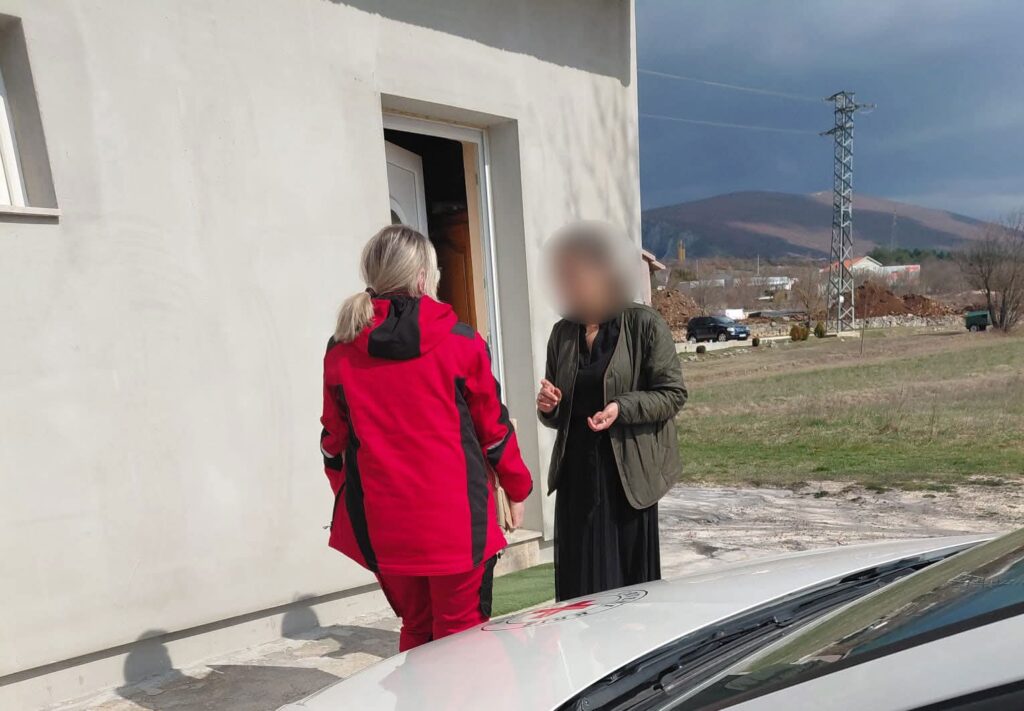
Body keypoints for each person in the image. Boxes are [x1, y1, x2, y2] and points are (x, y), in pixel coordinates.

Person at [321, 225, 532, 651]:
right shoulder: (461, 343)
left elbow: (332, 441)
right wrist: (517, 487)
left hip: (385, 524)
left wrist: (351, 494)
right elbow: (493, 430)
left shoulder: (341, 349)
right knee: (462, 639)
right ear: (422, 277)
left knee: (417, 629)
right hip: (457, 525)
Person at [537, 222, 687, 601]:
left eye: (577, 275)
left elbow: (672, 394)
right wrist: (550, 407)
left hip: (626, 477)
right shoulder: (562, 333)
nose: (569, 284)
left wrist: (622, 407)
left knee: (627, 589)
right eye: (565, 277)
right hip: (577, 477)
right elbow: (559, 410)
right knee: (579, 587)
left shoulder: (643, 324)